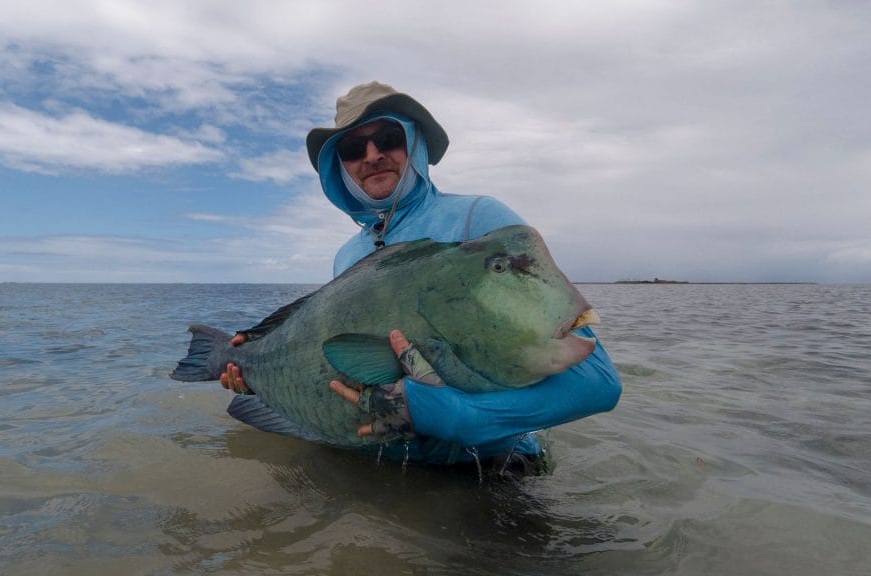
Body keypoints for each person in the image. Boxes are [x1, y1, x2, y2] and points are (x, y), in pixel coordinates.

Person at [221, 81, 621, 471]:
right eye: (353, 147)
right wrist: (258, 375)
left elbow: (599, 382)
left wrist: (465, 417)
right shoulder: (349, 255)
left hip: (485, 469)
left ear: (415, 143)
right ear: (339, 166)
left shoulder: (480, 220)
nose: (373, 154)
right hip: (382, 470)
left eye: (388, 138)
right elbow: (333, 366)